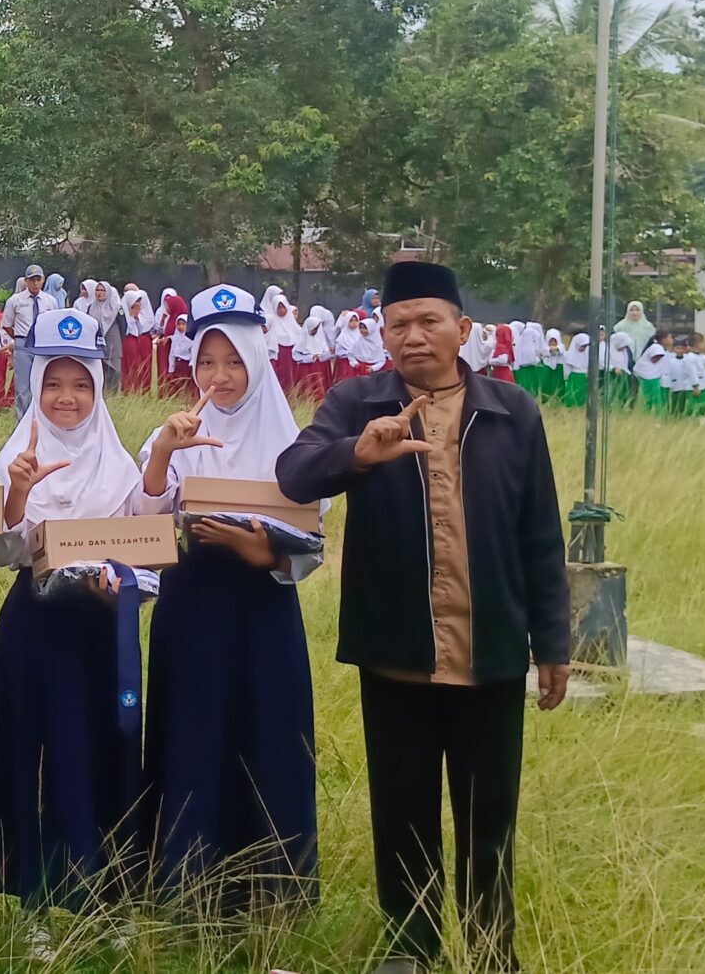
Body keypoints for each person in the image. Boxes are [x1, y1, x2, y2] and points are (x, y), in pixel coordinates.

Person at [274, 261, 570, 974]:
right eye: (398, 324)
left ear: (462, 329)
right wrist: (357, 453)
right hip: (396, 652)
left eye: (429, 321)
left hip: (490, 652)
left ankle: (493, 953)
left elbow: (540, 534)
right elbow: (294, 472)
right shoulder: (356, 401)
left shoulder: (512, 411)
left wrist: (553, 641)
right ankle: (410, 950)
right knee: (402, 813)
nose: (413, 336)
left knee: (489, 815)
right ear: (382, 333)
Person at [137, 284, 323, 918]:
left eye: (234, 362)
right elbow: (145, 518)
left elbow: (311, 540)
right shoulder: (178, 432)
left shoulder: (293, 444)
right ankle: (186, 883)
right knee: (193, 731)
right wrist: (164, 452)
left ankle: (271, 892)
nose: (219, 377)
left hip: (263, 607)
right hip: (192, 605)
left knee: (267, 732)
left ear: (258, 362)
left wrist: (262, 552)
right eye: (207, 363)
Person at [0, 308, 143, 953]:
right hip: (36, 625)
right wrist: (18, 495)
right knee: (35, 754)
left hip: (102, 630)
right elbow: (3, 553)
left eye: (80, 384)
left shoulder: (122, 468)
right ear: (35, 387)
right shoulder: (13, 460)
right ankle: (34, 904)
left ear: (98, 388)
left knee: (107, 751)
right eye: (53, 384)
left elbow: (143, 553)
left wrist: (122, 584)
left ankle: (112, 902)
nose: (66, 398)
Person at [5, 266, 56, 414]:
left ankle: (42, 417)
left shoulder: (50, 301)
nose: (35, 283)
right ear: (26, 280)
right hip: (23, 344)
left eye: (38, 279)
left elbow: (54, 323)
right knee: (23, 386)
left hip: (43, 344)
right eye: (32, 280)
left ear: (43, 280)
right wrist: (19, 339)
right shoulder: (15, 300)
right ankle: (23, 420)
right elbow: (7, 324)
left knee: (44, 382)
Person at [122, 284, 156, 394]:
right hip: (130, 341)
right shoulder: (122, 312)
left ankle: (144, 390)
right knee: (131, 366)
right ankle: (129, 390)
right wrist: (132, 316)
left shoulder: (146, 313)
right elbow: (126, 328)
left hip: (143, 340)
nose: (138, 304)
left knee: (145, 366)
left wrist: (137, 317)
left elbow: (148, 326)